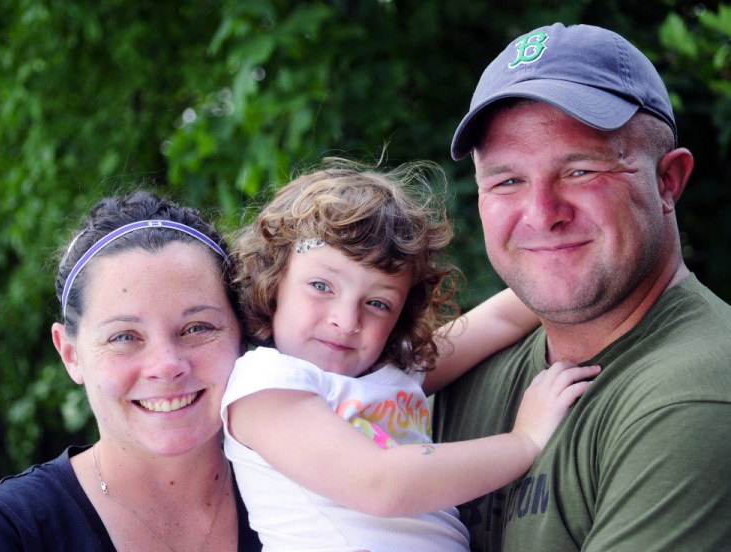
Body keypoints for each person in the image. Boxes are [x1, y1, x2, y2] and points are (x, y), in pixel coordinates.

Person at [433, 22, 731, 551]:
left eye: (580, 171)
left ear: (668, 182)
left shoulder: (696, 399)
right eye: (507, 180)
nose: (542, 214)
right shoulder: (459, 376)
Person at [220, 158, 600, 551]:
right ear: (273, 281)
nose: (347, 320)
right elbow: (380, 485)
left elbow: (502, 318)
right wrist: (525, 442)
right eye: (321, 286)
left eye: (378, 303)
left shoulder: (391, 371)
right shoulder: (265, 383)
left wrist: (584, 274)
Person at [0, 191, 262, 551]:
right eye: (124, 336)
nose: (166, 365)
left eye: (197, 328)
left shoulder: (307, 499)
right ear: (70, 354)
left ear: (243, 335)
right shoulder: (5, 533)